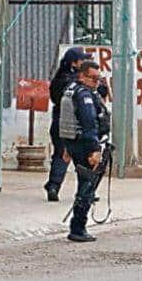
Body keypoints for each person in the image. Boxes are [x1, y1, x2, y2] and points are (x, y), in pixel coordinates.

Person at [60, 61, 108, 242]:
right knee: (87, 187)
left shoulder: (70, 90)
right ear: (82, 76)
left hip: (73, 143)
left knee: (85, 184)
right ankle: (78, 228)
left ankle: (78, 226)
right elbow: (88, 123)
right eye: (93, 78)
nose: (97, 82)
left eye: (99, 79)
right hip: (85, 145)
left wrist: (67, 146)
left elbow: (67, 120)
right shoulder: (84, 95)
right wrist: (95, 150)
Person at [44, 47, 93, 202]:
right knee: (80, 156)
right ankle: (84, 191)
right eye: (82, 60)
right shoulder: (71, 81)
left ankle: (54, 185)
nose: (85, 62)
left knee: (61, 154)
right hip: (70, 122)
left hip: (60, 122)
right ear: (74, 63)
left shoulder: (61, 79)